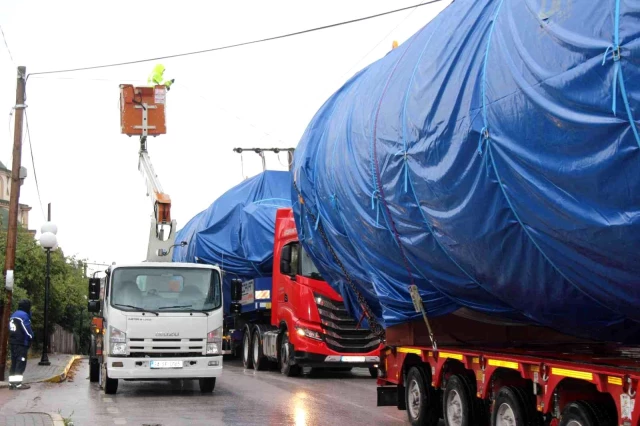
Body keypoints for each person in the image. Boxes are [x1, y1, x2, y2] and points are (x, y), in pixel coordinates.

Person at [8, 299, 34, 390]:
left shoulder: (14, 315)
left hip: (13, 342)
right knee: (21, 362)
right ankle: (18, 384)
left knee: (14, 362)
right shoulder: (23, 316)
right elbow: (26, 329)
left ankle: (12, 384)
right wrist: (31, 336)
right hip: (21, 343)